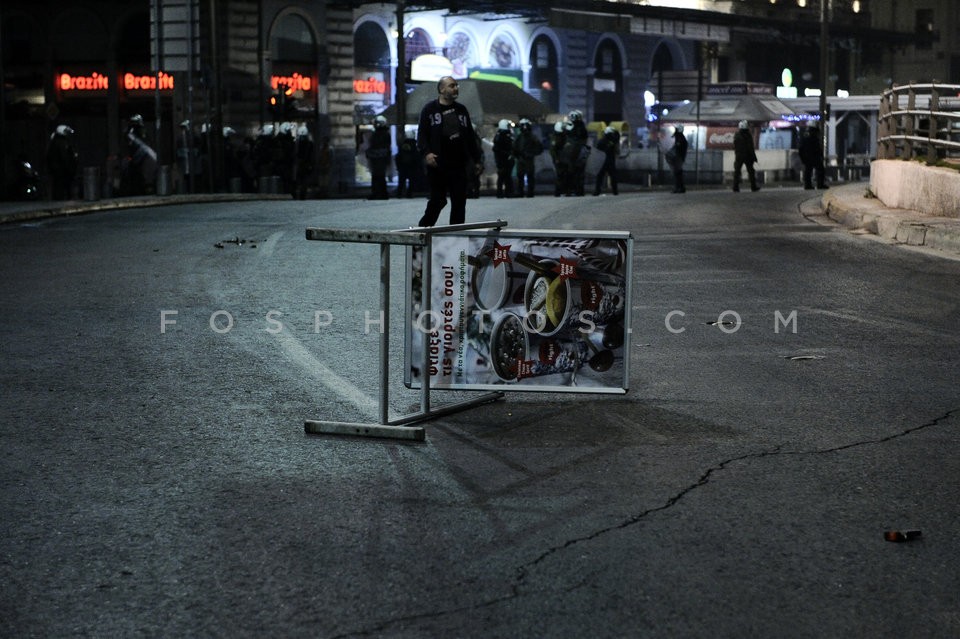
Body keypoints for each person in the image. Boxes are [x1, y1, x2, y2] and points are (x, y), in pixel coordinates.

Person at [416, 76, 483, 227]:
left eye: (456, 85)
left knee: (459, 201)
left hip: (458, 164)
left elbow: (470, 137)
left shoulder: (461, 110)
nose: (456, 88)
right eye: (452, 86)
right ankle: (423, 231)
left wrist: (477, 159)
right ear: (442, 89)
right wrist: (426, 153)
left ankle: (456, 238)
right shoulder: (429, 109)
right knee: (438, 200)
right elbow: (421, 135)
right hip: (438, 164)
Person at [46, 124, 78, 200]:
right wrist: (69, 166)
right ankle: (61, 199)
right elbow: (64, 156)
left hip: (57, 168)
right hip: (61, 169)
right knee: (62, 186)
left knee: (58, 185)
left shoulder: (55, 141)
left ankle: (59, 198)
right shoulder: (61, 142)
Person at [513, 118, 543, 198]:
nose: (524, 128)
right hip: (521, 159)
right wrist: (517, 155)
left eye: (525, 126)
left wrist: (530, 154)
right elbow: (515, 147)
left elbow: (539, 148)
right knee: (520, 177)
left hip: (528, 160)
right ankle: (521, 192)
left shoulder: (532, 137)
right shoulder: (520, 137)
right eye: (523, 126)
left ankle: (530, 192)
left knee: (530, 176)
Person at [366, 115, 392, 200]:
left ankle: (380, 193)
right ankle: (379, 193)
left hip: (379, 158)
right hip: (378, 157)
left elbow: (382, 146)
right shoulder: (381, 133)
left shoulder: (383, 134)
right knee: (377, 176)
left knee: (379, 176)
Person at [566, 110, 589, 196]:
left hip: (576, 153)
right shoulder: (578, 127)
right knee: (575, 173)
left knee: (576, 173)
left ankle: (575, 190)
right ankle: (575, 190)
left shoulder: (579, 127)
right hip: (574, 153)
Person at [732, 120, 760, 192]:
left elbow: (735, 146)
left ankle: (735, 187)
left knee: (737, 172)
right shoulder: (748, 135)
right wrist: (754, 157)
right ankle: (753, 186)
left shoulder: (737, 135)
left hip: (739, 156)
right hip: (748, 156)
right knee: (751, 172)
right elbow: (750, 147)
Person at [799, 120, 827, 190]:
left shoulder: (805, 135)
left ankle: (808, 185)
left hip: (808, 156)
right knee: (819, 169)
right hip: (814, 156)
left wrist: (802, 157)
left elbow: (801, 148)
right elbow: (817, 147)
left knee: (808, 171)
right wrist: (820, 154)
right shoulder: (813, 136)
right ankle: (820, 184)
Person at [593, 126, 620, 196]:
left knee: (600, 177)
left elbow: (597, 150)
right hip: (609, 161)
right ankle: (615, 191)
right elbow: (617, 137)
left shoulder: (602, 140)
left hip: (603, 161)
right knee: (613, 176)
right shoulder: (612, 141)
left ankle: (597, 191)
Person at [493, 119, 515, 198]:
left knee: (506, 177)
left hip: (506, 160)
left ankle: (507, 192)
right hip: (502, 160)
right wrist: (507, 154)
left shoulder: (505, 135)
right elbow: (497, 149)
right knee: (503, 177)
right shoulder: (501, 136)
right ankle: (502, 193)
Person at [550, 121, 569, 197]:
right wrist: (556, 159)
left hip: (563, 159)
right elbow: (553, 150)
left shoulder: (563, 136)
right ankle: (558, 192)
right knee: (560, 175)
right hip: (559, 159)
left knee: (564, 175)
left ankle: (564, 191)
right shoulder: (556, 137)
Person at [667, 124, 688, 194]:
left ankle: (679, 187)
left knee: (677, 173)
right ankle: (680, 187)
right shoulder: (680, 138)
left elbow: (678, 148)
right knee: (678, 173)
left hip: (678, 158)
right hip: (679, 158)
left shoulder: (680, 138)